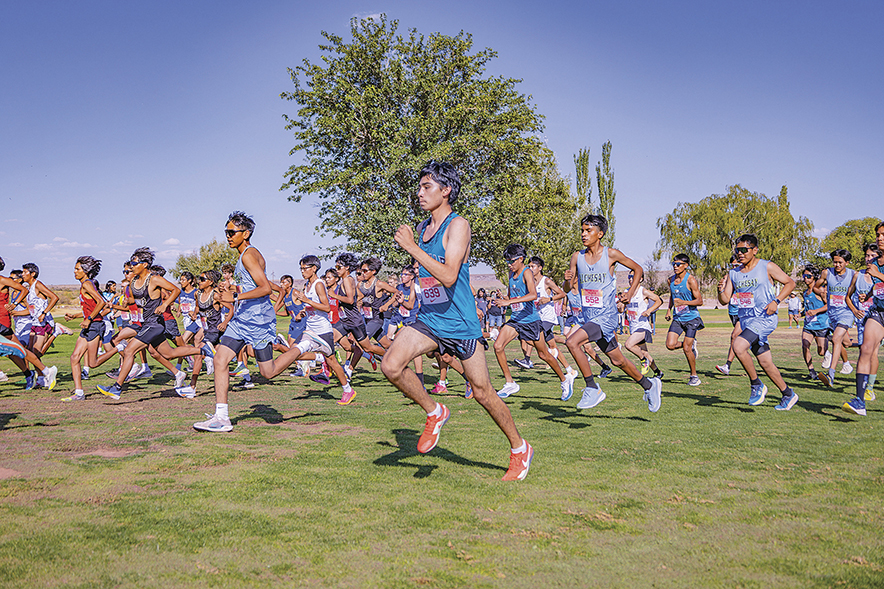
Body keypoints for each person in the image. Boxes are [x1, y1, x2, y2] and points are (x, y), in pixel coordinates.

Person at [380, 161, 533, 481]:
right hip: (430, 320)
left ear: (445, 190)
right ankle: (435, 411)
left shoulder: (458, 225)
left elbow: (449, 275)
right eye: (420, 187)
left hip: (461, 323)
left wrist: (410, 247)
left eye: (427, 187)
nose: (420, 193)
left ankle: (519, 447)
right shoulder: (423, 228)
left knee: (483, 392)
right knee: (391, 365)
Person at [562, 214, 662, 412]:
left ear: (599, 234)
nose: (583, 234)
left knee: (571, 342)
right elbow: (567, 288)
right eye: (582, 230)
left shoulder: (611, 254)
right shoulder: (577, 257)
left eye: (588, 230)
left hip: (606, 317)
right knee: (618, 360)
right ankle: (649, 386)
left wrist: (630, 292)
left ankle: (592, 387)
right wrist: (567, 280)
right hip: (589, 317)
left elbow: (638, 269)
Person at [97, 247, 213, 400]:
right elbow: (139, 301)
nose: (132, 266)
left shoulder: (154, 279)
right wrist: (126, 303)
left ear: (145, 264)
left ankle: (117, 388)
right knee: (168, 353)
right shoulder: (134, 282)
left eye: (135, 263)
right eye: (131, 263)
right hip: (147, 322)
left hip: (156, 324)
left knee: (130, 350)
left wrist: (165, 305)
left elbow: (175, 291)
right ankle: (203, 351)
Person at [717, 234, 797, 410]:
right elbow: (724, 299)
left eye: (744, 250)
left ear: (754, 250)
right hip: (746, 320)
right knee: (765, 362)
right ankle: (788, 394)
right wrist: (720, 290)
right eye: (737, 250)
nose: (740, 253)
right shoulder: (734, 273)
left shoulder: (766, 266)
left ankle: (756, 385)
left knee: (738, 346)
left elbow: (790, 283)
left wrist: (776, 301)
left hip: (764, 318)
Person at [492, 244, 576, 401]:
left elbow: (532, 295)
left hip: (531, 320)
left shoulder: (527, 273)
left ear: (520, 259)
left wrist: (509, 302)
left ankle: (565, 380)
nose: (509, 265)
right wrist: (503, 299)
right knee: (498, 346)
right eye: (507, 262)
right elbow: (513, 296)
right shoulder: (511, 274)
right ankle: (510, 383)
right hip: (516, 319)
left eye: (511, 261)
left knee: (543, 354)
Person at [843, 222, 884, 416]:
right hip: (878, 312)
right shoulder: (874, 264)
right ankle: (860, 401)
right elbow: (877, 287)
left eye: (883, 234)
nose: (880, 238)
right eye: (878, 234)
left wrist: (879, 276)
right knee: (866, 348)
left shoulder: (875, 269)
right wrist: (867, 296)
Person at [61, 256, 107, 401]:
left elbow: (101, 302)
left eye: (77, 269)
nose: (74, 271)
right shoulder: (84, 285)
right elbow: (90, 308)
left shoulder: (87, 284)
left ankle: (119, 348)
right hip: (90, 325)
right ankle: (79, 393)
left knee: (92, 363)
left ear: (85, 271)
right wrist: (75, 316)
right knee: (75, 358)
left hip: (95, 326)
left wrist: (89, 319)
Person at [816, 250, 856, 387]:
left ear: (847, 262)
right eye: (835, 262)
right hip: (832, 314)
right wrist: (822, 293)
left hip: (846, 312)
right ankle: (867, 344)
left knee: (836, 339)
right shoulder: (827, 273)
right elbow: (816, 287)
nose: (837, 265)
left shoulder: (853, 274)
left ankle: (831, 374)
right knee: (846, 343)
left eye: (840, 262)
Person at [664, 254, 704, 386]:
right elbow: (672, 296)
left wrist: (684, 302)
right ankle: (691, 344)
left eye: (678, 264)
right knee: (670, 345)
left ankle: (694, 376)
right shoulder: (670, 280)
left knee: (686, 349)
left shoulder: (690, 280)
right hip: (677, 318)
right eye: (674, 264)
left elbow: (699, 301)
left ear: (686, 266)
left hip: (691, 318)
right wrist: (669, 309)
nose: (675, 266)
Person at [622, 269, 664, 378]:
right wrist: (621, 305)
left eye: (633, 277)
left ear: (640, 279)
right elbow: (621, 310)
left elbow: (659, 300)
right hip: (633, 327)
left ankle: (643, 361)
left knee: (629, 345)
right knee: (644, 352)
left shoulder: (643, 291)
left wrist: (649, 311)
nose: (631, 279)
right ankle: (658, 372)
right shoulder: (626, 292)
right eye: (629, 277)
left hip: (643, 327)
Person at [798, 265, 830, 381]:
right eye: (804, 276)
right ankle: (811, 371)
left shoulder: (820, 290)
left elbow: (828, 306)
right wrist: (800, 314)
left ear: (814, 277)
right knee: (805, 346)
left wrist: (816, 311)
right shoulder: (805, 292)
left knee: (821, 352)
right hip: (808, 325)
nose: (805, 278)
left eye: (808, 276)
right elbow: (808, 309)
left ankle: (828, 355)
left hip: (821, 324)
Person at [716, 255, 743, 376]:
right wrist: (720, 290)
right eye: (732, 265)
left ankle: (727, 365)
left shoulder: (746, 276)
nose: (734, 267)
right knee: (744, 340)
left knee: (734, 336)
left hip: (745, 312)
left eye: (736, 265)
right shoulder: (729, 276)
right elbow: (723, 300)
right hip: (733, 311)